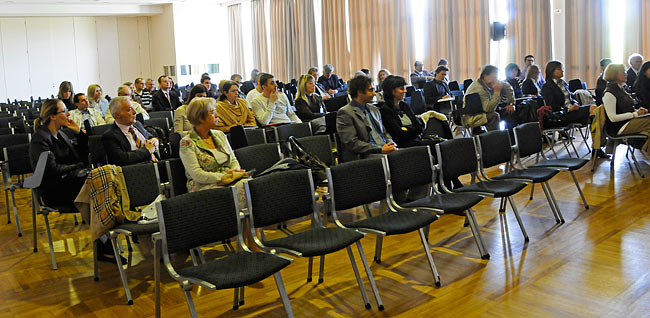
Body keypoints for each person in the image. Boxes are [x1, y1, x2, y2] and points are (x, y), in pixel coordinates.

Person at [179, 97, 247, 192]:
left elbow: (233, 160)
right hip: (204, 185)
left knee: (248, 185)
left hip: (229, 179)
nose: (217, 115)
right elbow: (197, 174)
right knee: (235, 190)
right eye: (213, 112)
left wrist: (234, 173)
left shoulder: (220, 134)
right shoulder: (187, 143)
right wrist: (224, 177)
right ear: (200, 118)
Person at [336, 75, 396, 160]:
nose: (374, 93)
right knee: (396, 160)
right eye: (370, 90)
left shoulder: (374, 109)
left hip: (383, 150)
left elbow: (384, 133)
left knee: (407, 156)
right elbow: (352, 143)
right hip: (364, 155)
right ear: (360, 92)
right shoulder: (345, 113)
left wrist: (392, 144)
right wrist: (379, 149)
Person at [602, 63, 650, 155]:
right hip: (619, 127)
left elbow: (627, 109)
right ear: (614, 74)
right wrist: (635, 114)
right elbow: (612, 118)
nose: (626, 74)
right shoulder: (609, 93)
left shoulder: (622, 89)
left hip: (628, 122)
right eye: (623, 72)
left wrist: (638, 112)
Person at [102, 96, 159, 165]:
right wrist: (147, 150)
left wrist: (155, 140)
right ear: (117, 115)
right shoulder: (110, 136)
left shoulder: (137, 124)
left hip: (157, 162)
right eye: (129, 109)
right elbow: (122, 159)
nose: (135, 112)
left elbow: (150, 137)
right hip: (138, 170)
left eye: (133, 108)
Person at [464, 65, 515, 132]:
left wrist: (511, 103)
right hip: (473, 116)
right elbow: (489, 109)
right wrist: (497, 92)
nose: (496, 79)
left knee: (510, 111)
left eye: (497, 77)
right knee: (494, 116)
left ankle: (511, 136)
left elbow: (508, 87)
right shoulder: (478, 89)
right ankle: (495, 139)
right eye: (494, 77)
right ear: (485, 76)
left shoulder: (490, 83)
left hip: (483, 111)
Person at [540, 61, 591, 128]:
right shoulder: (547, 86)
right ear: (552, 71)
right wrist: (568, 109)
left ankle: (599, 136)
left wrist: (575, 103)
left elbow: (570, 97)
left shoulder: (563, 83)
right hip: (562, 114)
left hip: (572, 111)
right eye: (559, 69)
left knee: (594, 114)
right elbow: (551, 105)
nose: (562, 70)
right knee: (593, 110)